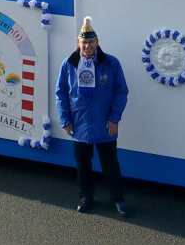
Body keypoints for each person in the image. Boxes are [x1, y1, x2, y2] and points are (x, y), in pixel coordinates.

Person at [54, 17, 130, 216]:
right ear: (78, 43)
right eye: (84, 42)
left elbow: (121, 91)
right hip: (79, 124)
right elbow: (61, 93)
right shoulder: (69, 64)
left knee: (110, 164)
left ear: (97, 42)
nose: (87, 46)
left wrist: (114, 118)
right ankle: (85, 197)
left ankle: (118, 198)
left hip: (105, 123)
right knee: (83, 165)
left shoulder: (111, 63)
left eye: (91, 42)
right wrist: (65, 120)